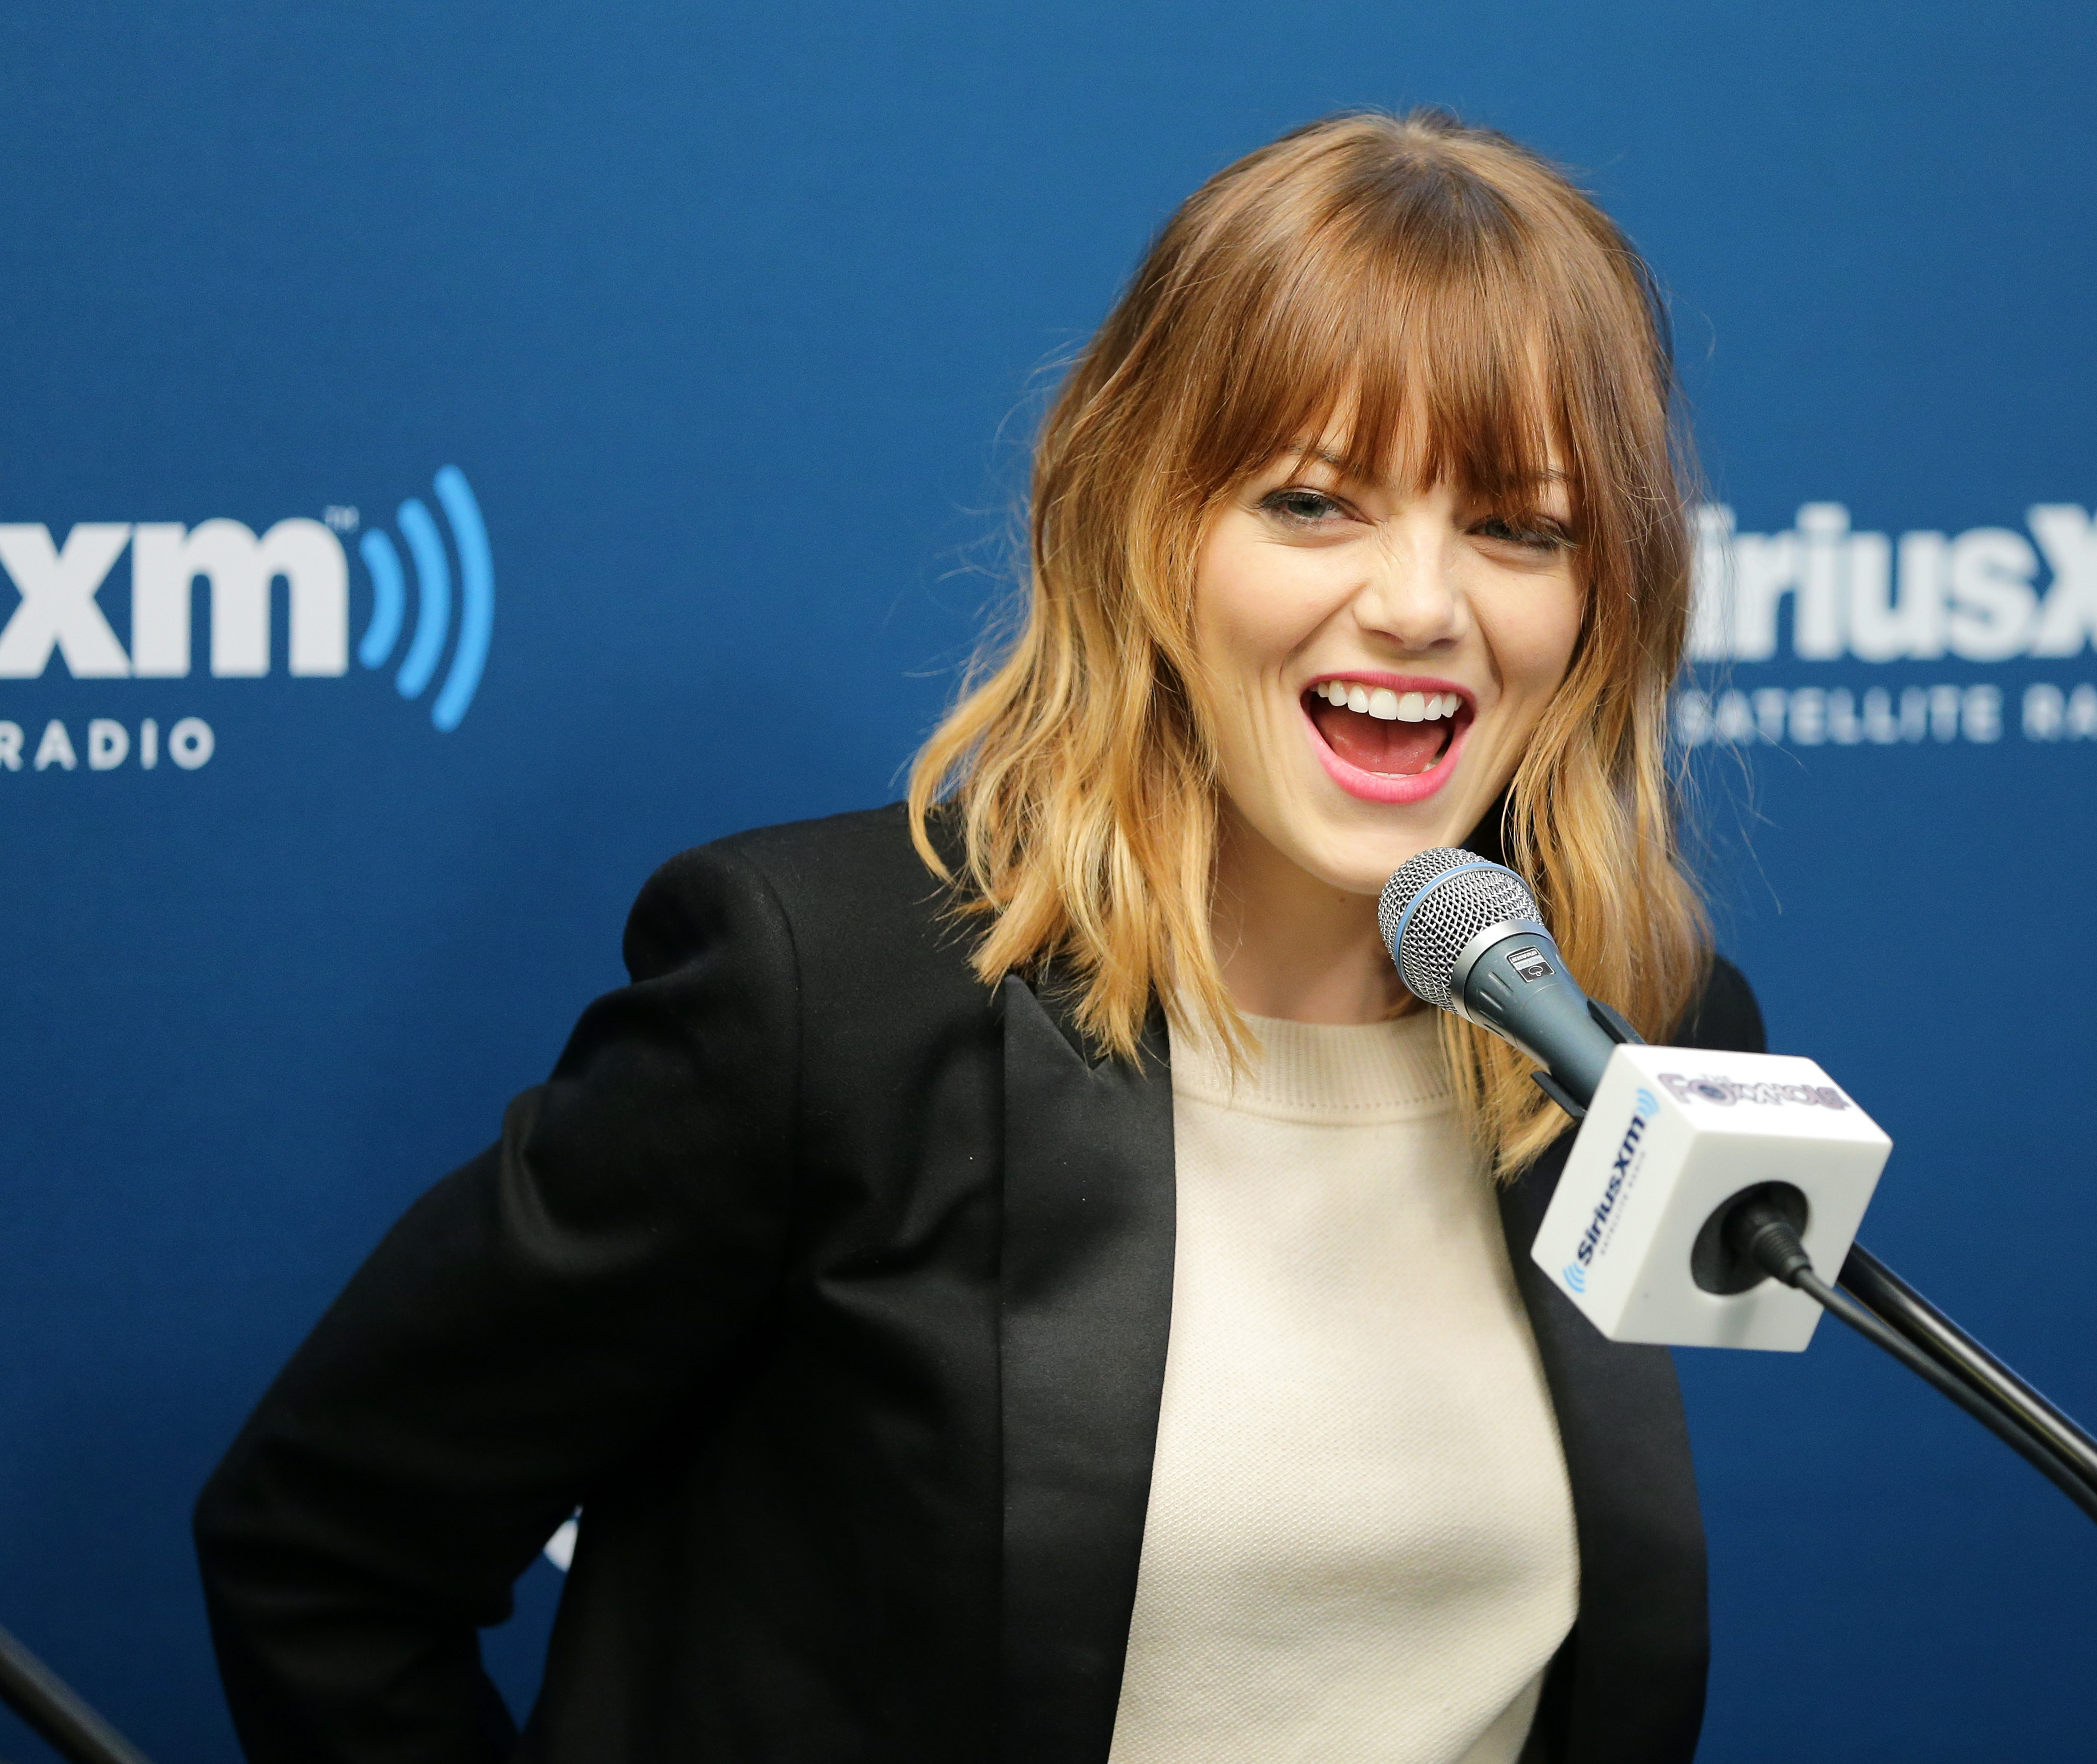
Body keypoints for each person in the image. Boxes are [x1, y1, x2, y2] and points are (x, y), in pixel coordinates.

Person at [195, 108, 1764, 1764]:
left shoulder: (1632, 1034)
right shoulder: (826, 1006)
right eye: (1314, 503)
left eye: (1520, 529)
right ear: (1146, 528)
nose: (1422, 604)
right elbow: (323, 1552)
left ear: (1607, 599)